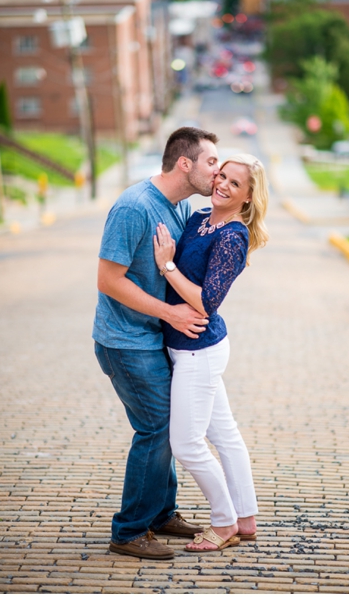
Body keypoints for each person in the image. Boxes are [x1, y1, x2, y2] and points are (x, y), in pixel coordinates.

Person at [94, 126, 220, 560]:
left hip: (151, 338)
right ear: (185, 164)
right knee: (157, 428)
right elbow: (108, 280)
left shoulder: (179, 205)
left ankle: (162, 513)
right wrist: (169, 313)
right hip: (125, 341)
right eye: (210, 162)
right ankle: (129, 531)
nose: (217, 171)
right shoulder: (134, 208)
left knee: (168, 425)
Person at [152, 153, 269, 553]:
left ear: (249, 197)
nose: (222, 184)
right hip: (195, 348)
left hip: (198, 350)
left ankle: (224, 522)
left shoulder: (232, 236)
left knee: (186, 444)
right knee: (225, 436)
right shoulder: (201, 216)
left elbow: (206, 303)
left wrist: (167, 267)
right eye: (222, 175)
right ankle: (246, 519)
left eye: (235, 183)